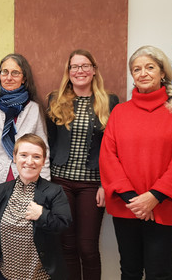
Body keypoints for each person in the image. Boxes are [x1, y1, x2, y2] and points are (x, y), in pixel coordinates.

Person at [99, 45, 172, 279]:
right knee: (130, 271)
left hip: (163, 206)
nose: (143, 73)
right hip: (127, 207)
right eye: (137, 69)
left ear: (163, 73)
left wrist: (154, 197)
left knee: (160, 273)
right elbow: (108, 157)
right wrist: (134, 201)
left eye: (149, 67)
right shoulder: (119, 112)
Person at [0, 53, 49, 279]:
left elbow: (44, 151)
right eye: (5, 72)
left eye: (15, 72)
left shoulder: (33, 108)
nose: (9, 76)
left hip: (26, 188)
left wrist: (44, 191)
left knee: (22, 248)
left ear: (24, 78)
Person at [46, 49, 119, 280]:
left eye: (85, 66)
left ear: (94, 70)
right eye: (75, 67)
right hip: (60, 183)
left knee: (87, 248)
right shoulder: (54, 100)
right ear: (68, 72)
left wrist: (105, 185)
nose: (80, 71)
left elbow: (114, 148)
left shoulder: (110, 101)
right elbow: (49, 141)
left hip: (92, 185)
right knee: (66, 247)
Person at [0, 133, 72, 280]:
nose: (29, 161)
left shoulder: (54, 192)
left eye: (36, 157)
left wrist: (42, 215)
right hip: (5, 274)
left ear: (43, 161)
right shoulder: (1, 190)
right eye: (23, 155)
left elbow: (64, 224)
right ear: (15, 157)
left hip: (40, 276)